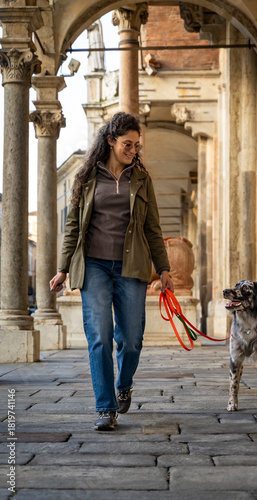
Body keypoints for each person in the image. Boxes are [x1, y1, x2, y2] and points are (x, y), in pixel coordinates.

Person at [50, 112, 173, 431]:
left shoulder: (142, 180)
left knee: (131, 339)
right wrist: (63, 268)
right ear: (110, 141)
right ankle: (105, 407)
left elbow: (152, 228)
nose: (133, 150)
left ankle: (124, 384)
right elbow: (73, 225)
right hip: (94, 266)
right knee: (100, 336)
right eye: (127, 144)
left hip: (132, 266)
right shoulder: (87, 176)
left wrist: (164, 269)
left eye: (137, 145)